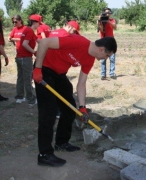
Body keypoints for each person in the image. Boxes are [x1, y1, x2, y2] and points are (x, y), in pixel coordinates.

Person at [32, 35, 117, 167]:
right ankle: (45, 154)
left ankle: (61, 142)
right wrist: (37, 69)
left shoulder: (89, 60)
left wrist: (82, 107)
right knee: (48, 112)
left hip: (59, 75)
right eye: (107, 56)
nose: (105, 59)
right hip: (44, 70)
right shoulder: (78, 41)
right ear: (102, 49)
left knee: (70, 109)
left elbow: (81, 84)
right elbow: (44, 42)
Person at [48, 20, 81, 119]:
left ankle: (60, 110)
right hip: (54, 67)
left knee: (63, 88)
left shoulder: (54, 32)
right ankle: (58, 111)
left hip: (49, 64)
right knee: (61, 89)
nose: (74, 34)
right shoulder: (65, 35)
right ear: (70, 27)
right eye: (74, 31)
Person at [15, 14, 39, 106]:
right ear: (34, 22)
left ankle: (19, 97)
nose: (39, 26)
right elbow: (25, 44)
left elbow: (38, 40)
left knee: (20, 77)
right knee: (28, 78)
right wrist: (34, 52)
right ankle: (31, 99)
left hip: (19, 57)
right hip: (25, 58)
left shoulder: (27, 30)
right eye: (39, 23)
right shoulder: (29, 30)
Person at [98, 7, 117, 80]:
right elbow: (101, 30)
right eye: (106, 13)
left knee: (112, 58)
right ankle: (103, 75)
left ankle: (112, 74)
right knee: (103, 59)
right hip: (103, 41)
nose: (107, 14)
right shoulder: (101, 21)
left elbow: (115, 27)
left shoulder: (112, 20)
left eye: (108, 12)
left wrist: (108, 21)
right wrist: (100, 21)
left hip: (111, 41)